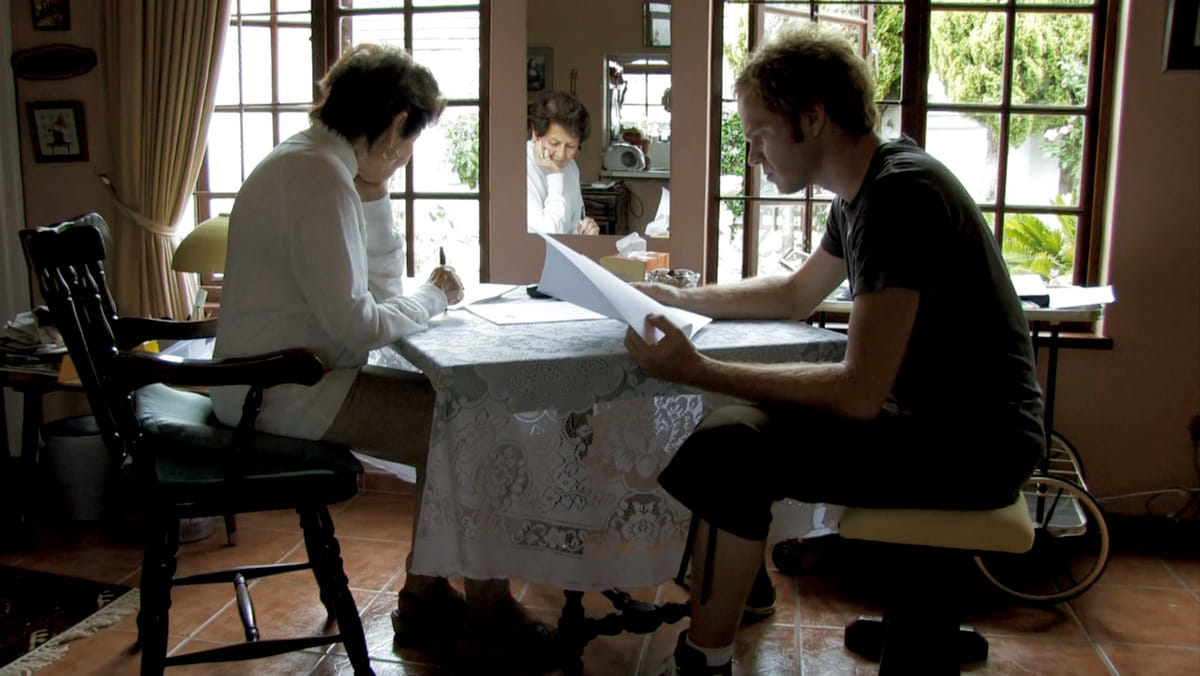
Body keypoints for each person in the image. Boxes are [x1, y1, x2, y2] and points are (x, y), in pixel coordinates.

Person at [624, 24, 1045, 675]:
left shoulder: (898, 196)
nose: (754, 154)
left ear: (813, 117)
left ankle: (706, 659)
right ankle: (728, 623)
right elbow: (795, 293)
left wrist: (698, 369)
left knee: (729, 449)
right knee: (730, 437)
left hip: (977, 445)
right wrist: (684, 298)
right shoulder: (867, 190)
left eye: (761, 134)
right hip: (950, 424)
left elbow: (857, 392)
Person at [211, 44, 555, 666]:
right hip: (279, 390)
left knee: (457, 415)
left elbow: (379, 290)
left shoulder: (316, 164)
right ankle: (485, 610)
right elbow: (361, 322)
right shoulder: (317, 178)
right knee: (475, 423)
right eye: (412, 136)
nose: (408, 151)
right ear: (397, 124)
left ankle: (426, 597)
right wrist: (436, 295)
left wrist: (374, 191)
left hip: (283, 378)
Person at [527, 90, 601, 235]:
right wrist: (555, 177)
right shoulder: (522, 168)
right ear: (536, 134)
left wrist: (585, 230)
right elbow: (549, 235)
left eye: (570, 146)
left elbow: (572, 226)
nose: (561, 155)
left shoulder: (571, 167)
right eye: (554, 143)